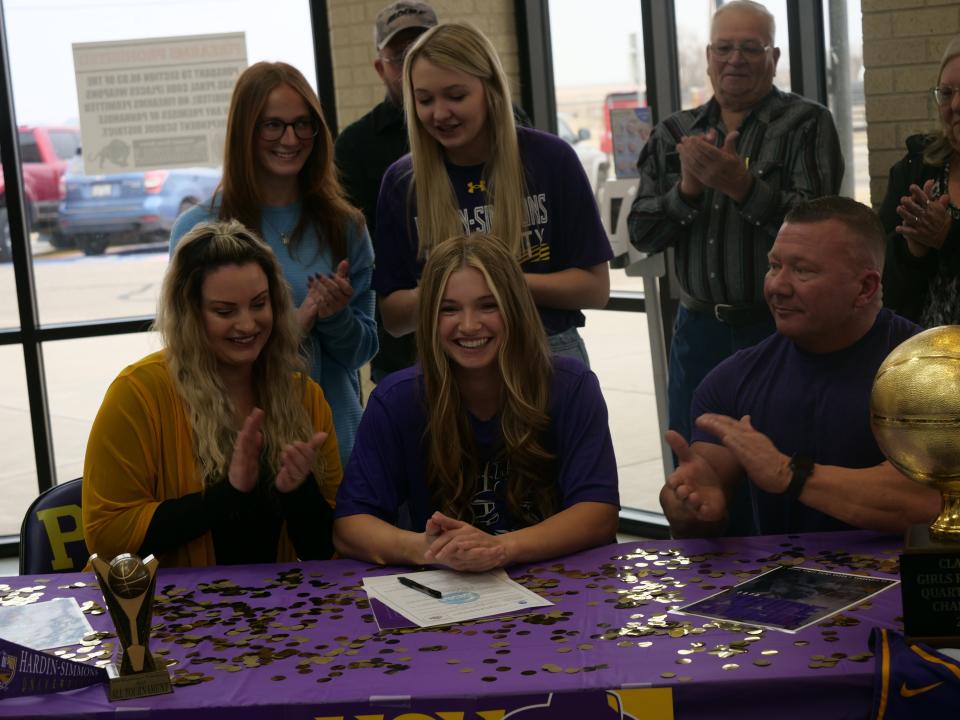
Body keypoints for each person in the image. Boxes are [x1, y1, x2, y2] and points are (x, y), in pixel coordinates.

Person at [627, 0, 844, 450]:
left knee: (780, 467)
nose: (735, 59)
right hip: (696, 334)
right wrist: (687, 191)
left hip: (781, 331)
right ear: (708, 58)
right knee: (698, 469)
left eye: (751, 47)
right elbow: (642, 233)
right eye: (724, 48)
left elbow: (823, 235)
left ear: (774, 58)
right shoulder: (674, 133)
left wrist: (742, 187)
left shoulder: (808, 123)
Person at [333, 234, 619, 571]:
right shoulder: (396, 399)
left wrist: (499, 548)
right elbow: (350, 526)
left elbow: (598, 513)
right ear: (429, 319)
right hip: (446, 591)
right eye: (449, 309)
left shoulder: (570, 386)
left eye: (488, 305)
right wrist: (427, 548)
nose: (469, 325)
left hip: (557, 582)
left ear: (515, 308)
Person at [660, 197, 941, 538]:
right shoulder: (732, 380)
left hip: (910, 585)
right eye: (774, 266)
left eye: (802, 270)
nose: (778, 286)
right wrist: (688, 505)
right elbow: (704, 495)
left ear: (865, 288)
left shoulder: (929, 373)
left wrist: (788, 473)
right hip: (786, 585)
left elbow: (928, 503)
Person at [84, 221, 342, 567]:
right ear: (189, 314)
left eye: (259, 304)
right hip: (168, 613)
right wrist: (227, 496)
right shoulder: (137, 395)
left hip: (280, 613)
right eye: (225, 311)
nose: (248, 324)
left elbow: (328, 550)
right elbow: (107, 536)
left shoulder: (304, 397)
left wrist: (300, 492)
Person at [171, 61, 376, 468]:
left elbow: (361, 352)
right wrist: (293, 325)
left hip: (337, 440)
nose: (291, 139)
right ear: (245, 130)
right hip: (244, 448)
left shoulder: (344, 225)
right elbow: (191, 359)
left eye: (303, 124)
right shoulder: (199, 229)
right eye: (273, 125)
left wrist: (335, 318)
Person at [374, 21, 611, 367]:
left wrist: (498, 279)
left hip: (546, 349)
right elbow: (394, 319)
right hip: (452, 357)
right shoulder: (402, 182)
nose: (440, 113)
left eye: (456, 96)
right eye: (425, 100)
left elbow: (595, 288)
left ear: (491, 90)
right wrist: (462, 290)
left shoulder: (551, 159)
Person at [334, 0, 439, 383]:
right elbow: (361, 258)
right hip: (404, 354)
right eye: (400, 56)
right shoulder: (355, 147)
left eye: (425, 49)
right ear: (380, 67)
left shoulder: (501, 125)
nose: (413, 64)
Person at [881, 35, 960, 327]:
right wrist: (913, 248)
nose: (956, 104)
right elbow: (878, 278)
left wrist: (948, 237)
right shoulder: (916, 168)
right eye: (947, 92)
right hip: (921, 360)